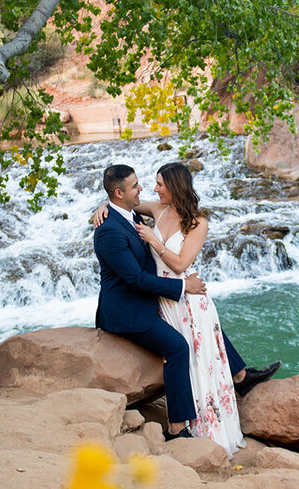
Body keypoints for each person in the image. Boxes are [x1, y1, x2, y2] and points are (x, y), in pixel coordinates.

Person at [92, 163, 281, 447]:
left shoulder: (194, 222)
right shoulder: (151, 212)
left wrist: (155, 242)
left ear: (174, 188)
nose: (149, 189)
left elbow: (179, 262)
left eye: (158, 184)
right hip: (155, 297)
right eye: (144, 184)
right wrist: (99, 207)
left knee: (206, 331)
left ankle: (239, 376)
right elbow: (122, 209)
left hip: (174, 290)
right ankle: (182, 423)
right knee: (184, 345)